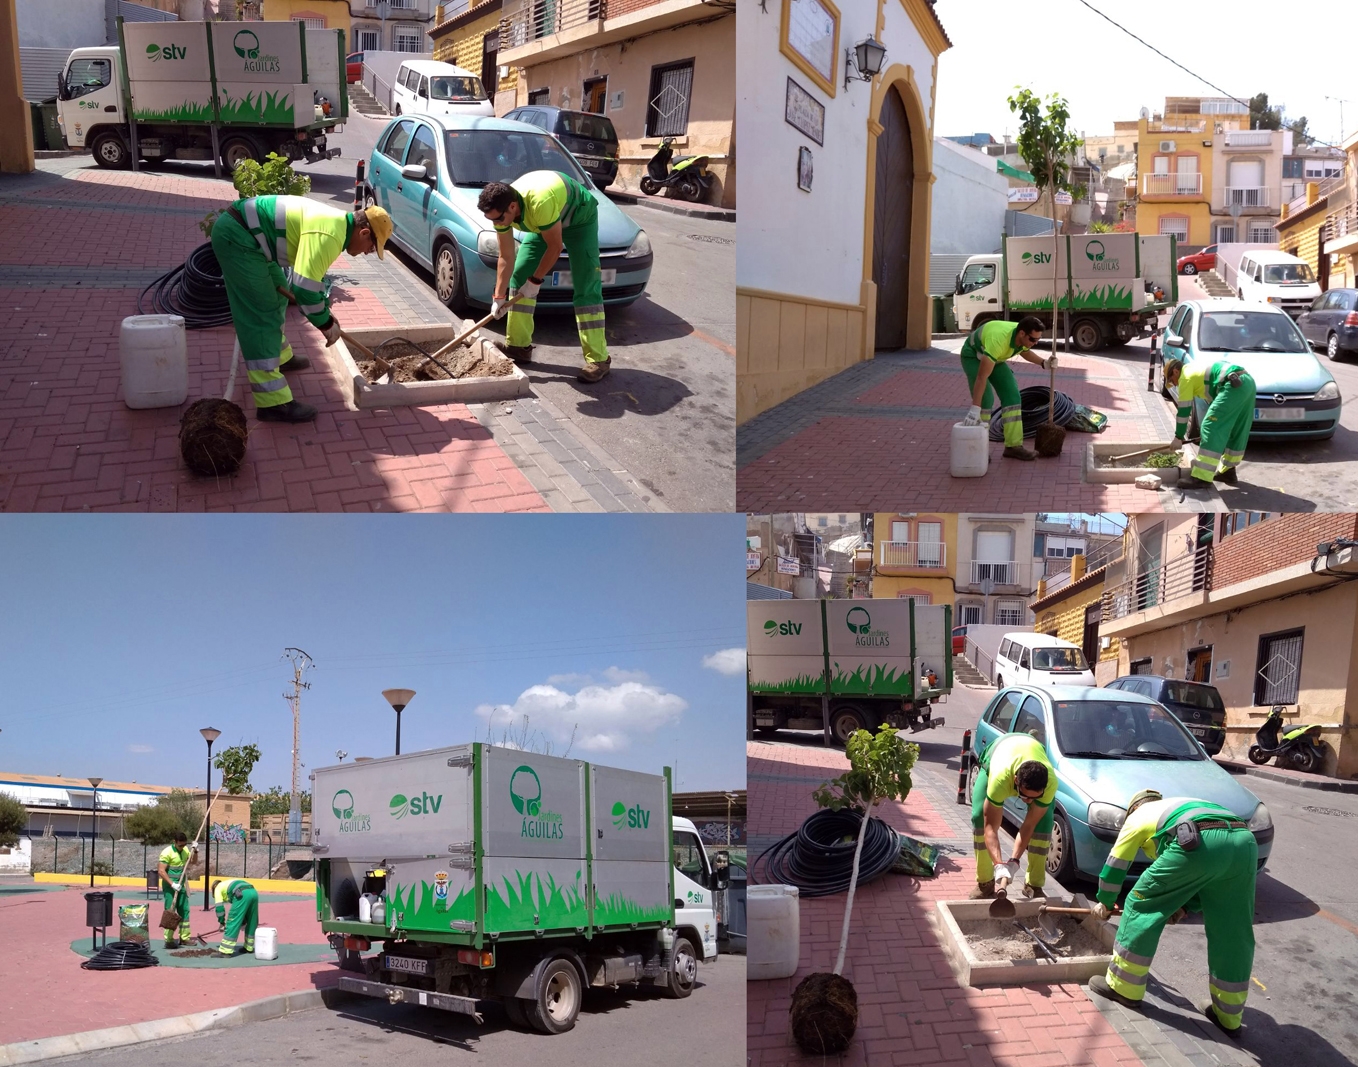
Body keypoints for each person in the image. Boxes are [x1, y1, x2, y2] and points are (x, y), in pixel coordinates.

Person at [1086, 789, 1257, 1039]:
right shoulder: (1180, 807)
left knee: (1140, 903)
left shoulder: (1137, 817)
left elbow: (1116, 863)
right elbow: (1205, 878)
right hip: (1245, 842)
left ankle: (1123, 988)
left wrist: (1105, 901)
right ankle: (1228, 1017)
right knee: (1231, 929)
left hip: (1199, 838)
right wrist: (1185, 906)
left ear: (1133, 809)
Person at [210, 196, 392, 423]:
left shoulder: (336, 227)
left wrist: (324, 309)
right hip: (239, 238)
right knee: (262, 314)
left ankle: (281, 357)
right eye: (372, 248)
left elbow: (311, 279)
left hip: (252, 238)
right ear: (364, 233)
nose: (367, 252)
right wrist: (325, 324)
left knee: (278, 295)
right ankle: (272, 403)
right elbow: (304, 289)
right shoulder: (330, 235)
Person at [478, 171, 610, 383]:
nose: (498, 223)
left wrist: (535, 281)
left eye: (499, 218)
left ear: (513, 206)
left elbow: (555, 247)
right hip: (545, 223)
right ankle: (518, 347)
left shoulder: (540, 203)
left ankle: (599, 359)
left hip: (579, 219)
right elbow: (506, 256)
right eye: (492, 219)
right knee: (520, 274)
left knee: (586, 284)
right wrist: (499, 296)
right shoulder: (500, 212)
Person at [969, 731, 1058, 899]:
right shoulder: (1000, 780)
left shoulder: (1051, 782)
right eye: (1025, 796)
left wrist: (1014, 861)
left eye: (1035, 797)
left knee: (1044, 823)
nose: (1029, 801)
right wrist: (999, 865)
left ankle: (1034, 885)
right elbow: (991, 828)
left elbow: (1029, 825)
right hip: (999, 750)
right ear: (1016, 781)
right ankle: (985, 883)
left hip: (1031, 748)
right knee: (980, 817)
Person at [958, 316, 1056, 461]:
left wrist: (1044, 363)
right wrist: (975, 408)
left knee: (1012, 396)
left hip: (995, 357)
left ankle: (1013, 447)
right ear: (1022, 333)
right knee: (985, 400)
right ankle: (979, 448)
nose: (1035, 343)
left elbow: (1024, 351)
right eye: (1032, 339)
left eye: (1038, 340)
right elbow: (981, 377)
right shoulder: (999, 340)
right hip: (973, 355)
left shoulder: (1022, 335)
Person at [1162, 355, 1255, 485]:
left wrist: (1178, 437)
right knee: (1236, 428)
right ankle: (1228, 472)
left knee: (1209, 426)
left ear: (1176, 371)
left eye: (1172, 380)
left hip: (1232, 385)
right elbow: (1215, 401)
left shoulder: (1185, 377)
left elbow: (1184, 411)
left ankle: (1202, 477)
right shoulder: (1193, 369)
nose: (1175, 385)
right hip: (1246, 382)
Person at [157, 832, 198, 949]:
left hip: (182, 885)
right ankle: (168, 940)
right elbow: (161, 871)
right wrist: (172, 884)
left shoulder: (185, 850)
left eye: (184, 845)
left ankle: (184, 938)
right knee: (170, 911)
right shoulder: (167, 852)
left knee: (184, 910)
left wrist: (195, 851)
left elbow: (193, 862)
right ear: (174, 842)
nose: (182, 847)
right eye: (180, 845)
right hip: (170, 886)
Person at [213, 877, 261, 957]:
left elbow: (219, 909)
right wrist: (243, 921)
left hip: (242, 894)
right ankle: (249, 947)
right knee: (252, 919)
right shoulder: (227, 884)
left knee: (232, 921)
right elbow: (243, 910)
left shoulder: (217, 888)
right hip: (253, 892)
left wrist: (222, 922)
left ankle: (225, 951)